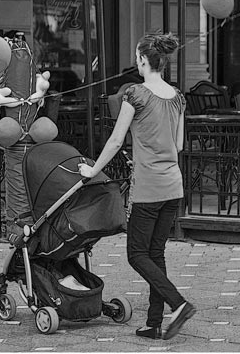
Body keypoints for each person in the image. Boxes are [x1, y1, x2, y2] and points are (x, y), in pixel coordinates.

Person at [78, 33, 195, 340]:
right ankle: (154, 323)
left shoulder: (135, 94)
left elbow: (116, 140)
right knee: (156, 253)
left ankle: (178, 304)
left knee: (136, 254)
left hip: (148, 187)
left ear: (143, 60)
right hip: (173, 186)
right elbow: (179, 145)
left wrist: (92, 170)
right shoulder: (178, 97)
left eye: (136, 57)